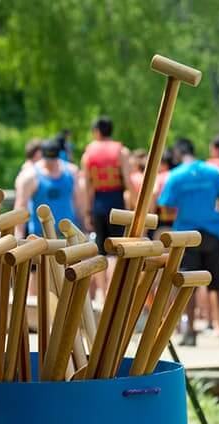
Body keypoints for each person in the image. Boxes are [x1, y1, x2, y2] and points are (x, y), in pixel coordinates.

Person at [158, 138, 219, 346]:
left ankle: (191, 332)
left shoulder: (175, 176)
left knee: (187, 286)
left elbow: (165, 205)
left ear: (176, 155)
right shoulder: (211, 172)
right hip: (212, 233)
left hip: (186, 235)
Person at [81, 116, 132, 295]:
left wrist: (87, 212)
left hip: (98, 204)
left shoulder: (88, 153)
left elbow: (87, 186)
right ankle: (113, 291)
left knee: (101, 252)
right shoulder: (122, 151)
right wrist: (133, 207)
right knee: (116, 251)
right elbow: (128, 181)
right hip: (116, 202)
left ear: (96, 132)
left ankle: (102, 294)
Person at [15, 139, 80, 239]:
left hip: (68, 233)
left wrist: (83, 226)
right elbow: (21, 207)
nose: (52, 163)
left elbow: (79, 201)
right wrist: (18, 237)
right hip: (40, 236)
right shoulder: (30, 176)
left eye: (54, 159)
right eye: (49, 159)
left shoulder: (71, 172)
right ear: (42, 155)